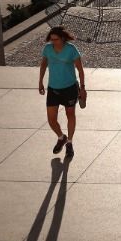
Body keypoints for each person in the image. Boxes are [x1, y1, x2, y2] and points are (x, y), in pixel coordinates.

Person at [39, 26, 85, 157]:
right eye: (51, 39)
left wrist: (82, 88)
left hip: (69, 88)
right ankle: (61, 137)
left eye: (56, 39)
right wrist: (40, 81)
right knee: (51, 119)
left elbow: (80, 70)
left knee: (70, 115)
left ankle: (69, 142)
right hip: (53, 88)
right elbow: (43, 65)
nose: (54, 42)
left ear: (63, 38)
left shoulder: (71, 49)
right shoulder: (48, 49)